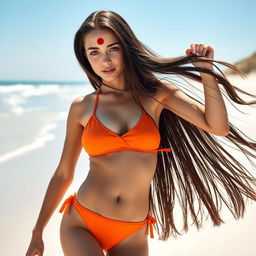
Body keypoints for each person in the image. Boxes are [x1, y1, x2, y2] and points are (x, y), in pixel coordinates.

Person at [25, 10, 256, 256]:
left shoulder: (155, 94)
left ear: (126, 48)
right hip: (82, 223)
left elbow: (217, 127)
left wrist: (206, 71)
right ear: (85, 58)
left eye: (113, 49)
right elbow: (63, 173)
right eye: (95, 52)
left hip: (132, 231)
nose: (106, 61)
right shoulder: (82, 106)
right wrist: (37, 232)